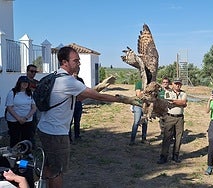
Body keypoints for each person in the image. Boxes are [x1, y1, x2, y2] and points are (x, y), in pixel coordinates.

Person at [36, 46, 138, 188]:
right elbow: (98, 96)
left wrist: (100, 87)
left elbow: (77, 98)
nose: (79, 63)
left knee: (49, 165)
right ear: (64, 62)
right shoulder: (68, 81)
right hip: (56, 134)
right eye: (75, 60)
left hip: (45, 129)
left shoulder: (55, 77)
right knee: (57, 171)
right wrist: (124, 99)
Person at [157, 78, 187, 164]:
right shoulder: (168, 92)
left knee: (178, 137)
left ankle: (175, 156)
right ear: (173, 84)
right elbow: (170, 102)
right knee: (167, 137)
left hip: (180, 118)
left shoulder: (183, 93)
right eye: (176, 83)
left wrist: (177, 102)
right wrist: (180, 102)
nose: (178, 85)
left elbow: (184, 103)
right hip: (170, 117)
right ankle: (163, 157)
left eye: (179, 84)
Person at [5, 76, 37, 148]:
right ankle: (14, 154)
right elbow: (9, 107)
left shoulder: (30, 93)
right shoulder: (12, 93)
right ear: (19, 83)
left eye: (27, 83)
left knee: (26, 138)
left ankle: (26, 153)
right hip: (14, 120)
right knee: (15, 138)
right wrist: (19, 118)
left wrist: (26, 118)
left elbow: (34, 107)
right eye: (23, 82)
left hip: (27, 120)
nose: (25, 84)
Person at [129, 80, 148, 146]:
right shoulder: (139, 83)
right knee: (136, 122)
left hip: (146, 105)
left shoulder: (150, 84)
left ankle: (144, 139)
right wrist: (146, 91)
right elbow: (138, 95)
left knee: (145, 122)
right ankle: (132, 140)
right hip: (138, 105)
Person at [69, 68, 85, 142]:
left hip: (78, 103)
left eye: (78, 70)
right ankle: (69, 138)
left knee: (77, 121)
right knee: (69, 121)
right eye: (76, 70)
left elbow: (83, 91)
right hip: (70, 104)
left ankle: (77, 136)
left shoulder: (80, 80)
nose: (77, 71)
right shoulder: (68, 80)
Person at [26, 64, 39, 149]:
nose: (33, 73)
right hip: (24, 108)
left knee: (33, 127)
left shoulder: (36, 82)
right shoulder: (23, 81)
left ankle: (31, 145)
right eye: (31, 71)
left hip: (34, 108)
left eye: (35, 72)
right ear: (27, 71)